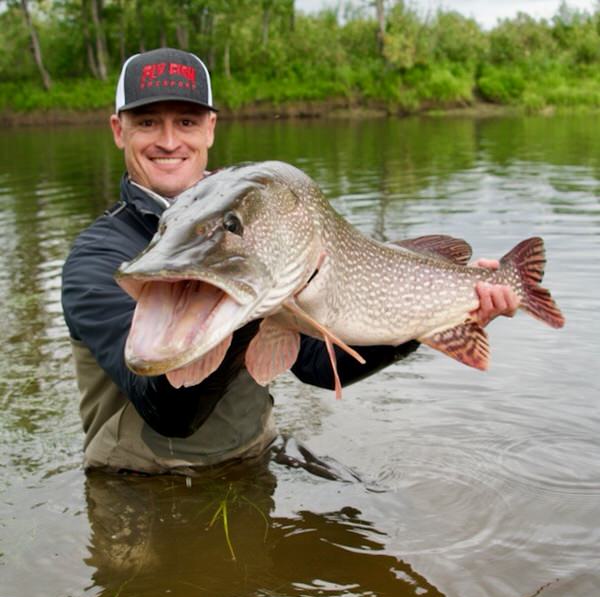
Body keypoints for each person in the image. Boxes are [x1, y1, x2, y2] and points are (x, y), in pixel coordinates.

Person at [61, 48, 519, 475]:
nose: (168, 141)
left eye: (185, 121)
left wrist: (431, 317)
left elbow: (316, 366)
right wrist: (249, 293)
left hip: (251, 467)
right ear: (119, 130)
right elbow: (168, 412)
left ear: (210, 129)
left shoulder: (262, 219)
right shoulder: (99, 259)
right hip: (139, 492)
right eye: (146, 123)